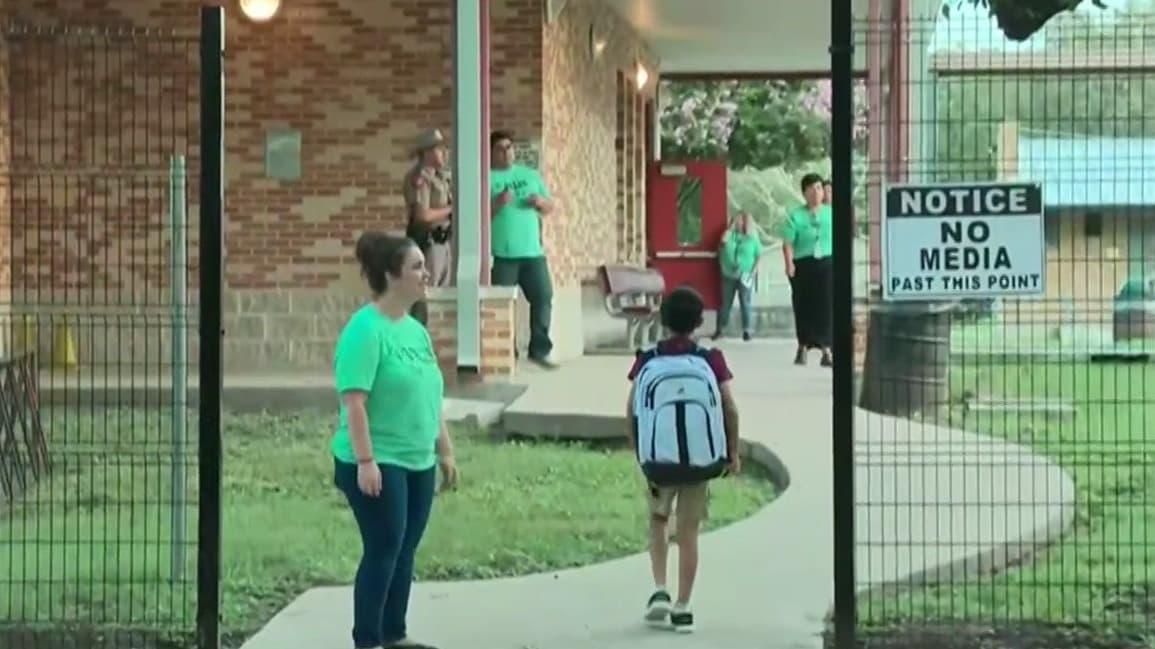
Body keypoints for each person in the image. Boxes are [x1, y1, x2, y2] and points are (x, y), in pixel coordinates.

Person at [331, 231, 460, 649]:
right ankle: (367, 641)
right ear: (391, 275)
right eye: (417, 267)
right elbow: (354, 402)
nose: (426, 274)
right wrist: (366, 461)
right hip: (377, 459)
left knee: (405, 549)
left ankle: (394, 633)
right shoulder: (365, 330)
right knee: (385, 547)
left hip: (418, 458)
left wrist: (444, 450)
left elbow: (430, 393)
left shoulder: (415, 331)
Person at [626, 286, 740, 634]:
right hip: (699, 461)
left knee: (659, 519)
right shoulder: (711, 359)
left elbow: (631, 409)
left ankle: (660, 589)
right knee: (689, 532)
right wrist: (732, 453)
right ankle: (683, 606)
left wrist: (640, 451)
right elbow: (729, 408)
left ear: (663, 321)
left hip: (659, 460)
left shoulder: (647, 359)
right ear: (698, 322)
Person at [489, 129, 558, 368]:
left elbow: (549, 206)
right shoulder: (486, 178)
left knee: (543, 296)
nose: (506, 153)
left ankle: (539, 349)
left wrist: (539, 202)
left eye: (509, 148)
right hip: (503, 254)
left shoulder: (529, 175)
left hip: (532, 252)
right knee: (502, 304)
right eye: (500, 149)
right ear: (491, 153)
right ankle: (507, 352)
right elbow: (476, 215)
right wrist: (497, 204)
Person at [402, 128, 454, 326]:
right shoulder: (419, 178)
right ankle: (415, 335)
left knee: (439, 297)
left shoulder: (442, 177)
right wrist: (452, 210)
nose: (444, 153)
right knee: (424, 295)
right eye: (439, 149)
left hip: (444, 242)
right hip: (428, 241)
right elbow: (422, 215)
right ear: (426, 152)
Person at [782, 173, 834, 367]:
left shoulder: (831, 213)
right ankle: (803, 345)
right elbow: (788, 243)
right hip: (803, 264)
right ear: (804, 193)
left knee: (827, 305)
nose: (816, 192)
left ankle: (827, 349)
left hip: (827, 263)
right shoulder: (795, 215)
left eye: (819, 188)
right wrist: (789, 264)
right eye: (811, 189)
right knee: (803, 305)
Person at [712, 211, 763, 341]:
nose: (738, 223)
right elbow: (722, 242)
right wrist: (730, 227)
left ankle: (747, 330)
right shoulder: (730, 235)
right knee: (725, 303)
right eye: (736, 220)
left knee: (745, 302)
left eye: (740, 220)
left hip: (745, 274)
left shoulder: (753, 238)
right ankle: (721, 329)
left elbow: (758, 255)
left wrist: (753, 272)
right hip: (728, 274)